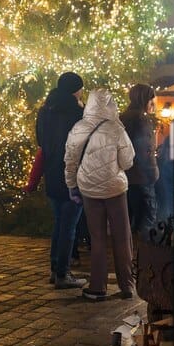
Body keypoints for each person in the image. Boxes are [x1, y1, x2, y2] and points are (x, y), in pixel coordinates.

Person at [64, 88, 136, 301]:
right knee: (122, 236)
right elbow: (128, 161)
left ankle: (98, 287)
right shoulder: (117, 129)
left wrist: (71, 184)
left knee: (97, 238)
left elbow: (70, 160)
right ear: (111, 104)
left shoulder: (79, 128)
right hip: (115, 189)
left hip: (89, 188)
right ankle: (127, 286)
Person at [35, 72, 88, 290]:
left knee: (59, 223)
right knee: (69, 226)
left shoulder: (45, 111)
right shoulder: (77, 113)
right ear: (76, 90)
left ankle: (55, 268)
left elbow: (40, 140)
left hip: (52, 173)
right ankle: (62, 273)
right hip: (72, 175)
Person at [119, 84, 159, 238]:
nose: (152, 104)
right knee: (147, 218)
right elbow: (146, 150)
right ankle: (144, 255)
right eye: (151, 100)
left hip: (125, 175)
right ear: (144, 100)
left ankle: (128, 255)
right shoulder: (142, 119)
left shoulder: (123, 117)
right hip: (141, 176)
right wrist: (153, 172)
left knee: (128, 218)